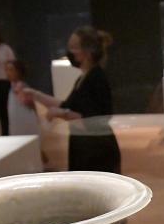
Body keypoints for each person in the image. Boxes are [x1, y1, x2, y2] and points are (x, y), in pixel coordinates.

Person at [26, 26, 119, 172]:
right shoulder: (84, 77)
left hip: (95, 149)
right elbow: (68, 105)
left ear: (87, 52)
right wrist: (35, 94)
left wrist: (59, 113)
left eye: (74, 47)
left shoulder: (96, 79)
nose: (70, 51)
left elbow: (88, 118)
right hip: (85, 144)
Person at [4, 59, 40, 137]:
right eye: (6, 70)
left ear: (18, 72)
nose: (8, 73)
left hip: (24, 117)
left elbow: (30, 104)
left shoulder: (22, 87)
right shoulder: (11, 86)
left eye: (11, 70)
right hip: (16, 118)